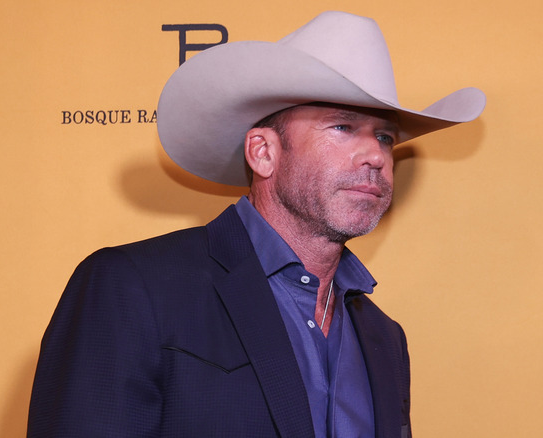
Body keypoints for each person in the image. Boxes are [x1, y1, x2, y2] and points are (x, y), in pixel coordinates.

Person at [27, 10, 485, 438]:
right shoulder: (132, 287)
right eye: (343, 127)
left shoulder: (385, 337)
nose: (375, 156)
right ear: (263, 152)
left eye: (384, 137)